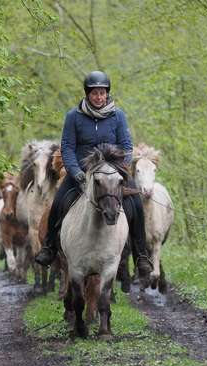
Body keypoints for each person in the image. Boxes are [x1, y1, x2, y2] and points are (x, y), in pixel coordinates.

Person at [34, 70, 153, 277]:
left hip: (113, 174)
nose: (99, 97)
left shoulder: (118, 116)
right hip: (82, 172)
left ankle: (141, 255)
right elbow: (68, 147)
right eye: (95, 93)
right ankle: (49, 248)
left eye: (102, 93)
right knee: (59, 202)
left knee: (135, 204)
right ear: (87, 94)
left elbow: (126, 145)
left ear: (107, 93)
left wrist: (121, 171)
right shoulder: (73, 117)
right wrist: (76, 172)